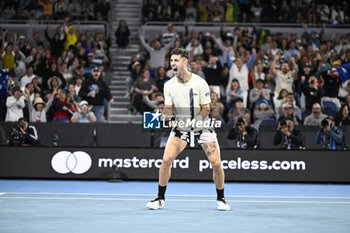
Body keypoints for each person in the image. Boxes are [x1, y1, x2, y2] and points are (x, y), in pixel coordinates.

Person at [146, 48, 230, 211]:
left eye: (176, 60)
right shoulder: (168, 85)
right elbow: (169, 109)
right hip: (181, 128)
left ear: (185, 62)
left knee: (216, 164)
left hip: (202, 127)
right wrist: (164, 115)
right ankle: (160, 198)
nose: (172, 64)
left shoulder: (200, 82)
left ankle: (221, 199)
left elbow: (206, 108)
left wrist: (196, 119)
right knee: (165, 161)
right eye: (171, 61)